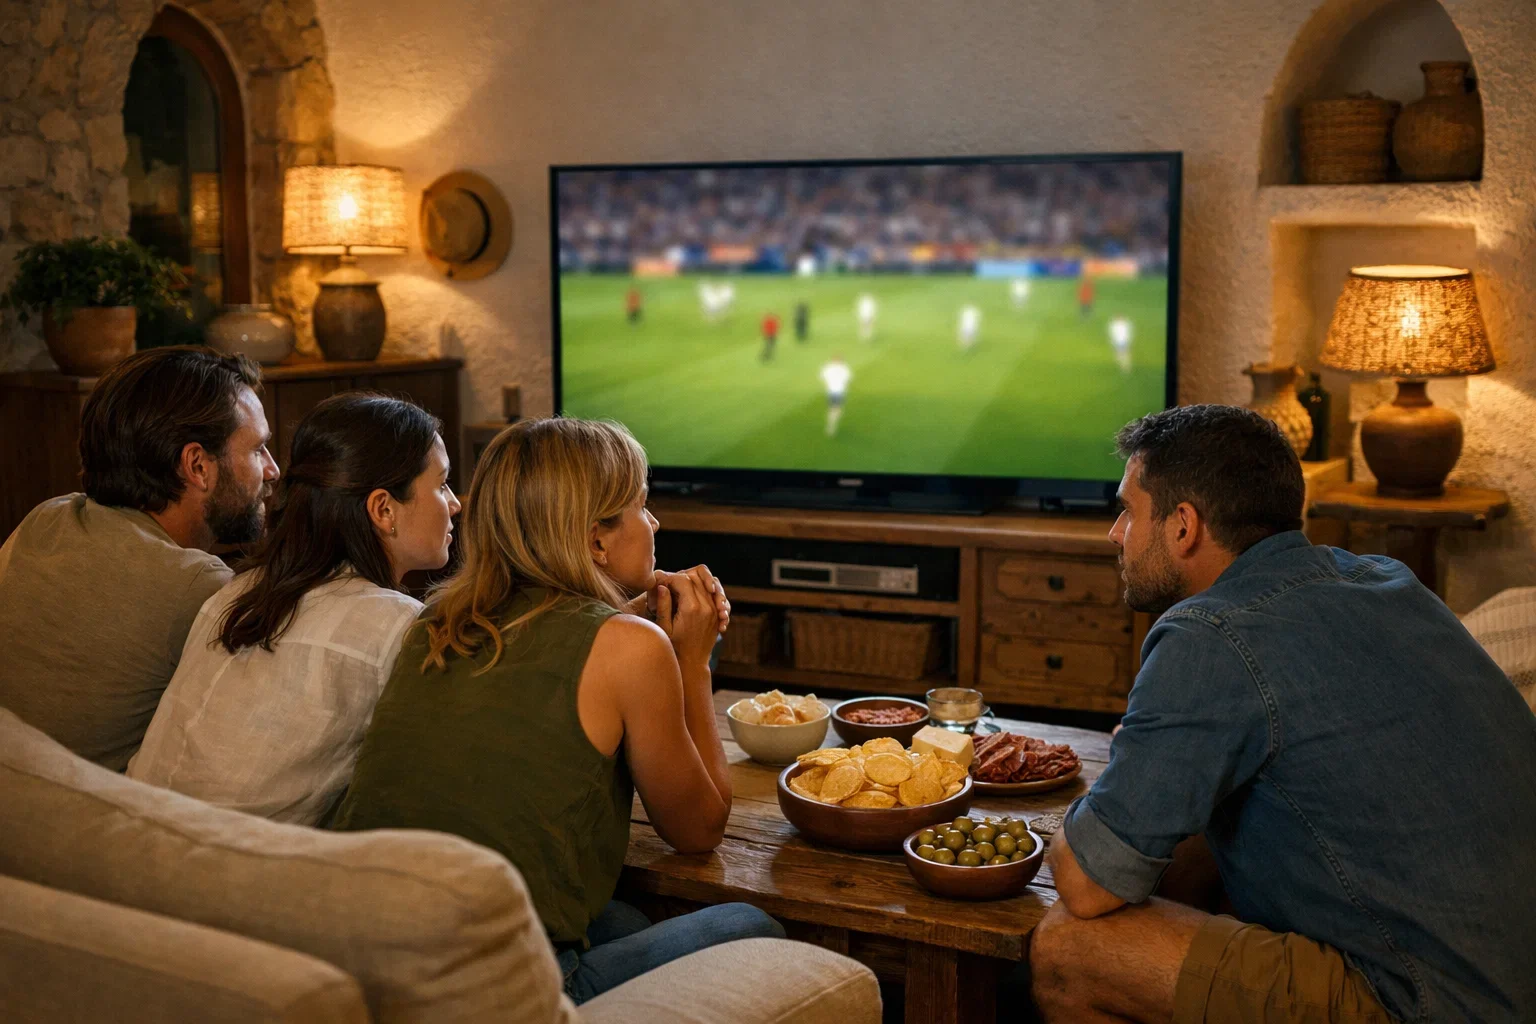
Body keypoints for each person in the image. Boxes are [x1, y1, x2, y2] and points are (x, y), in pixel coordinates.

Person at [1028, 405, 1536, 1023]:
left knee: (1068, 947)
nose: (1115, 533)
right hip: (1504, 969)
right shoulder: (1385, 579)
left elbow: (1085, 883)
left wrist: (1097, 800)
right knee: (1207, 817)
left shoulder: (1209, 632)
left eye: (1128, 510)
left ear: (1183, 526)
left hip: (1430, 999)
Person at [330, 417, 783, 1003]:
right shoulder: (631, 648)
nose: (655, 522)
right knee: (755, 930)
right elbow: (699, 832)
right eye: (642, 506)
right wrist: (691, 660)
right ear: (596, 540)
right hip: (489, 997)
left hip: (355, 960)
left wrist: (632, 624)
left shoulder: (434, 622)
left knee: (625, 920)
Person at [127, 394, 459, 825]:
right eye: (442, 484)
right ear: (382, 508)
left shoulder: (238, 590)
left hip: (129, 830)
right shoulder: (394, 627)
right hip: (225, 868)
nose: (454, 503)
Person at [0, 347, 278, 770]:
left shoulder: (47, 519)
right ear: (197, 466)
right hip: (85, 824)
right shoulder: (197, 585)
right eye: (258, 449)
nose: (273, 470)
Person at [821, 356, 851, 437]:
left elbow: (823, 376)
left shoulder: (828, 367)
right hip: (839, 392)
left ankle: (830, 424)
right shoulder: (844, 369)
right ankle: (831, 426)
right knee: (837, 410)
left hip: (830, 391)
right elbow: (847, 379)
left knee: (832, 409)